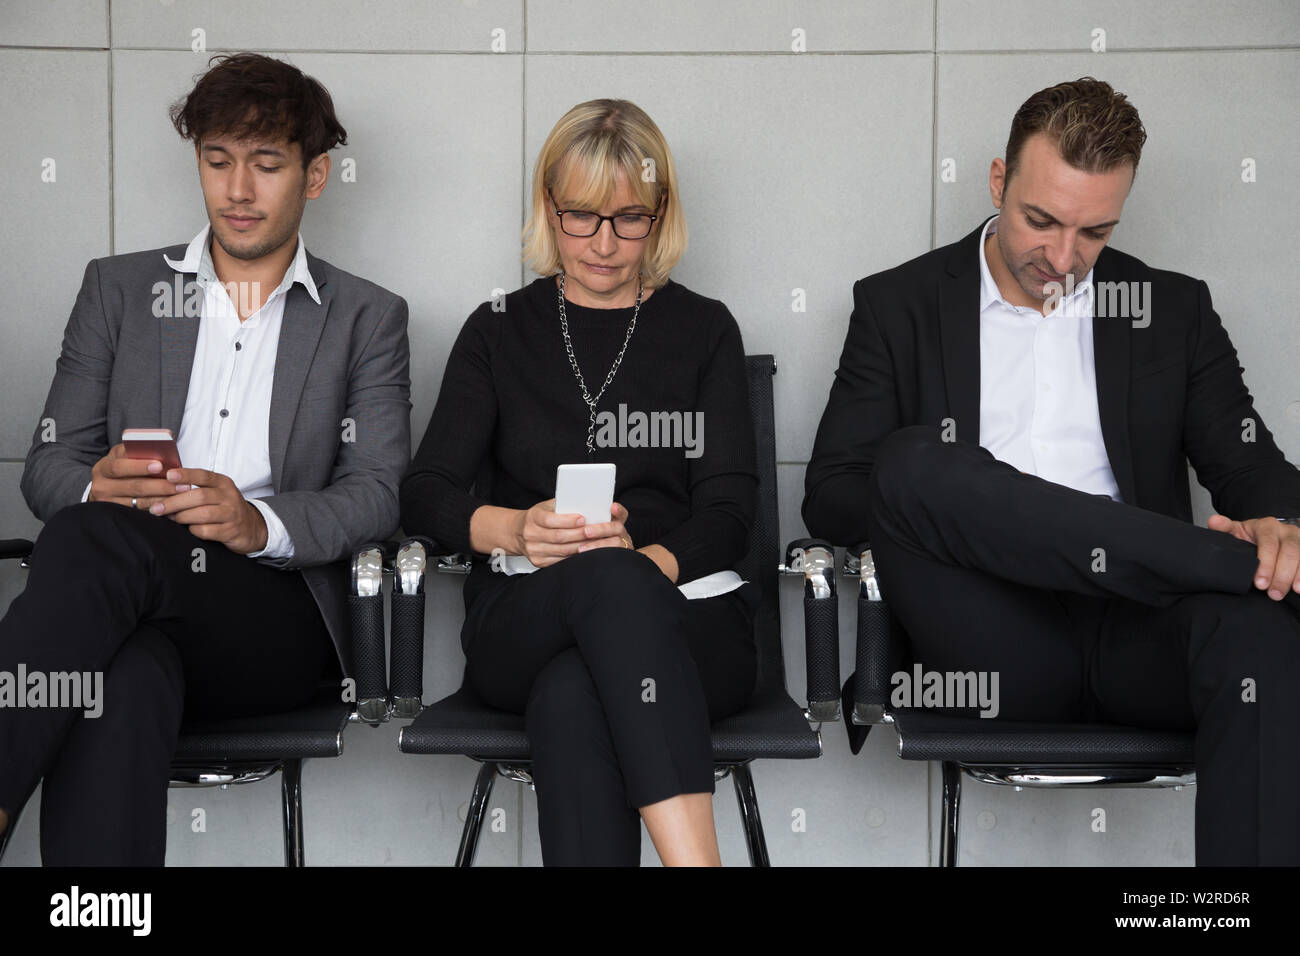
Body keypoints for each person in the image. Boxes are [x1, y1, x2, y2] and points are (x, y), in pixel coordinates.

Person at [804, 76, 1300, 865]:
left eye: (1094, 232)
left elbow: (1258, 477)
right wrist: (977, 510)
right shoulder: (898, 305)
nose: (1063, 258)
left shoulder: (1172, 310)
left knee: (1263, 632)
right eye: (1040, 221)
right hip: (993, 645)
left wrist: (1282, 529)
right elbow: (831, 495)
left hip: (1144, 632)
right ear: (999, 181)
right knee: (907, 463)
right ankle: (1211, 562)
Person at [0, 53, 411, 864]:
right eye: (217, 162)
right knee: (120, 678)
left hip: (272, 619)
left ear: (315, 175)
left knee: (86, 542)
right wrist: (94, 483)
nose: (237, 191)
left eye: (266, 165)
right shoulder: (118, 291)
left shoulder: (366, 316)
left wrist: (256, 522)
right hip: (120, 604)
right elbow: (46, 470)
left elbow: (377, 494)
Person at [400, 98, 758, 866]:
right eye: (581, 217)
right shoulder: (498, 329)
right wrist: (518, 528)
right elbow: (425, 492)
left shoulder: (705, 330)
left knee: (572, 694)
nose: (604, 243)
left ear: (661, 214)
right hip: (524, 614)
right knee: (597, 600)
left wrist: (640, 571)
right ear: (547, 208)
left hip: (685, 622)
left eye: (629, 219)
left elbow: (731, 513)